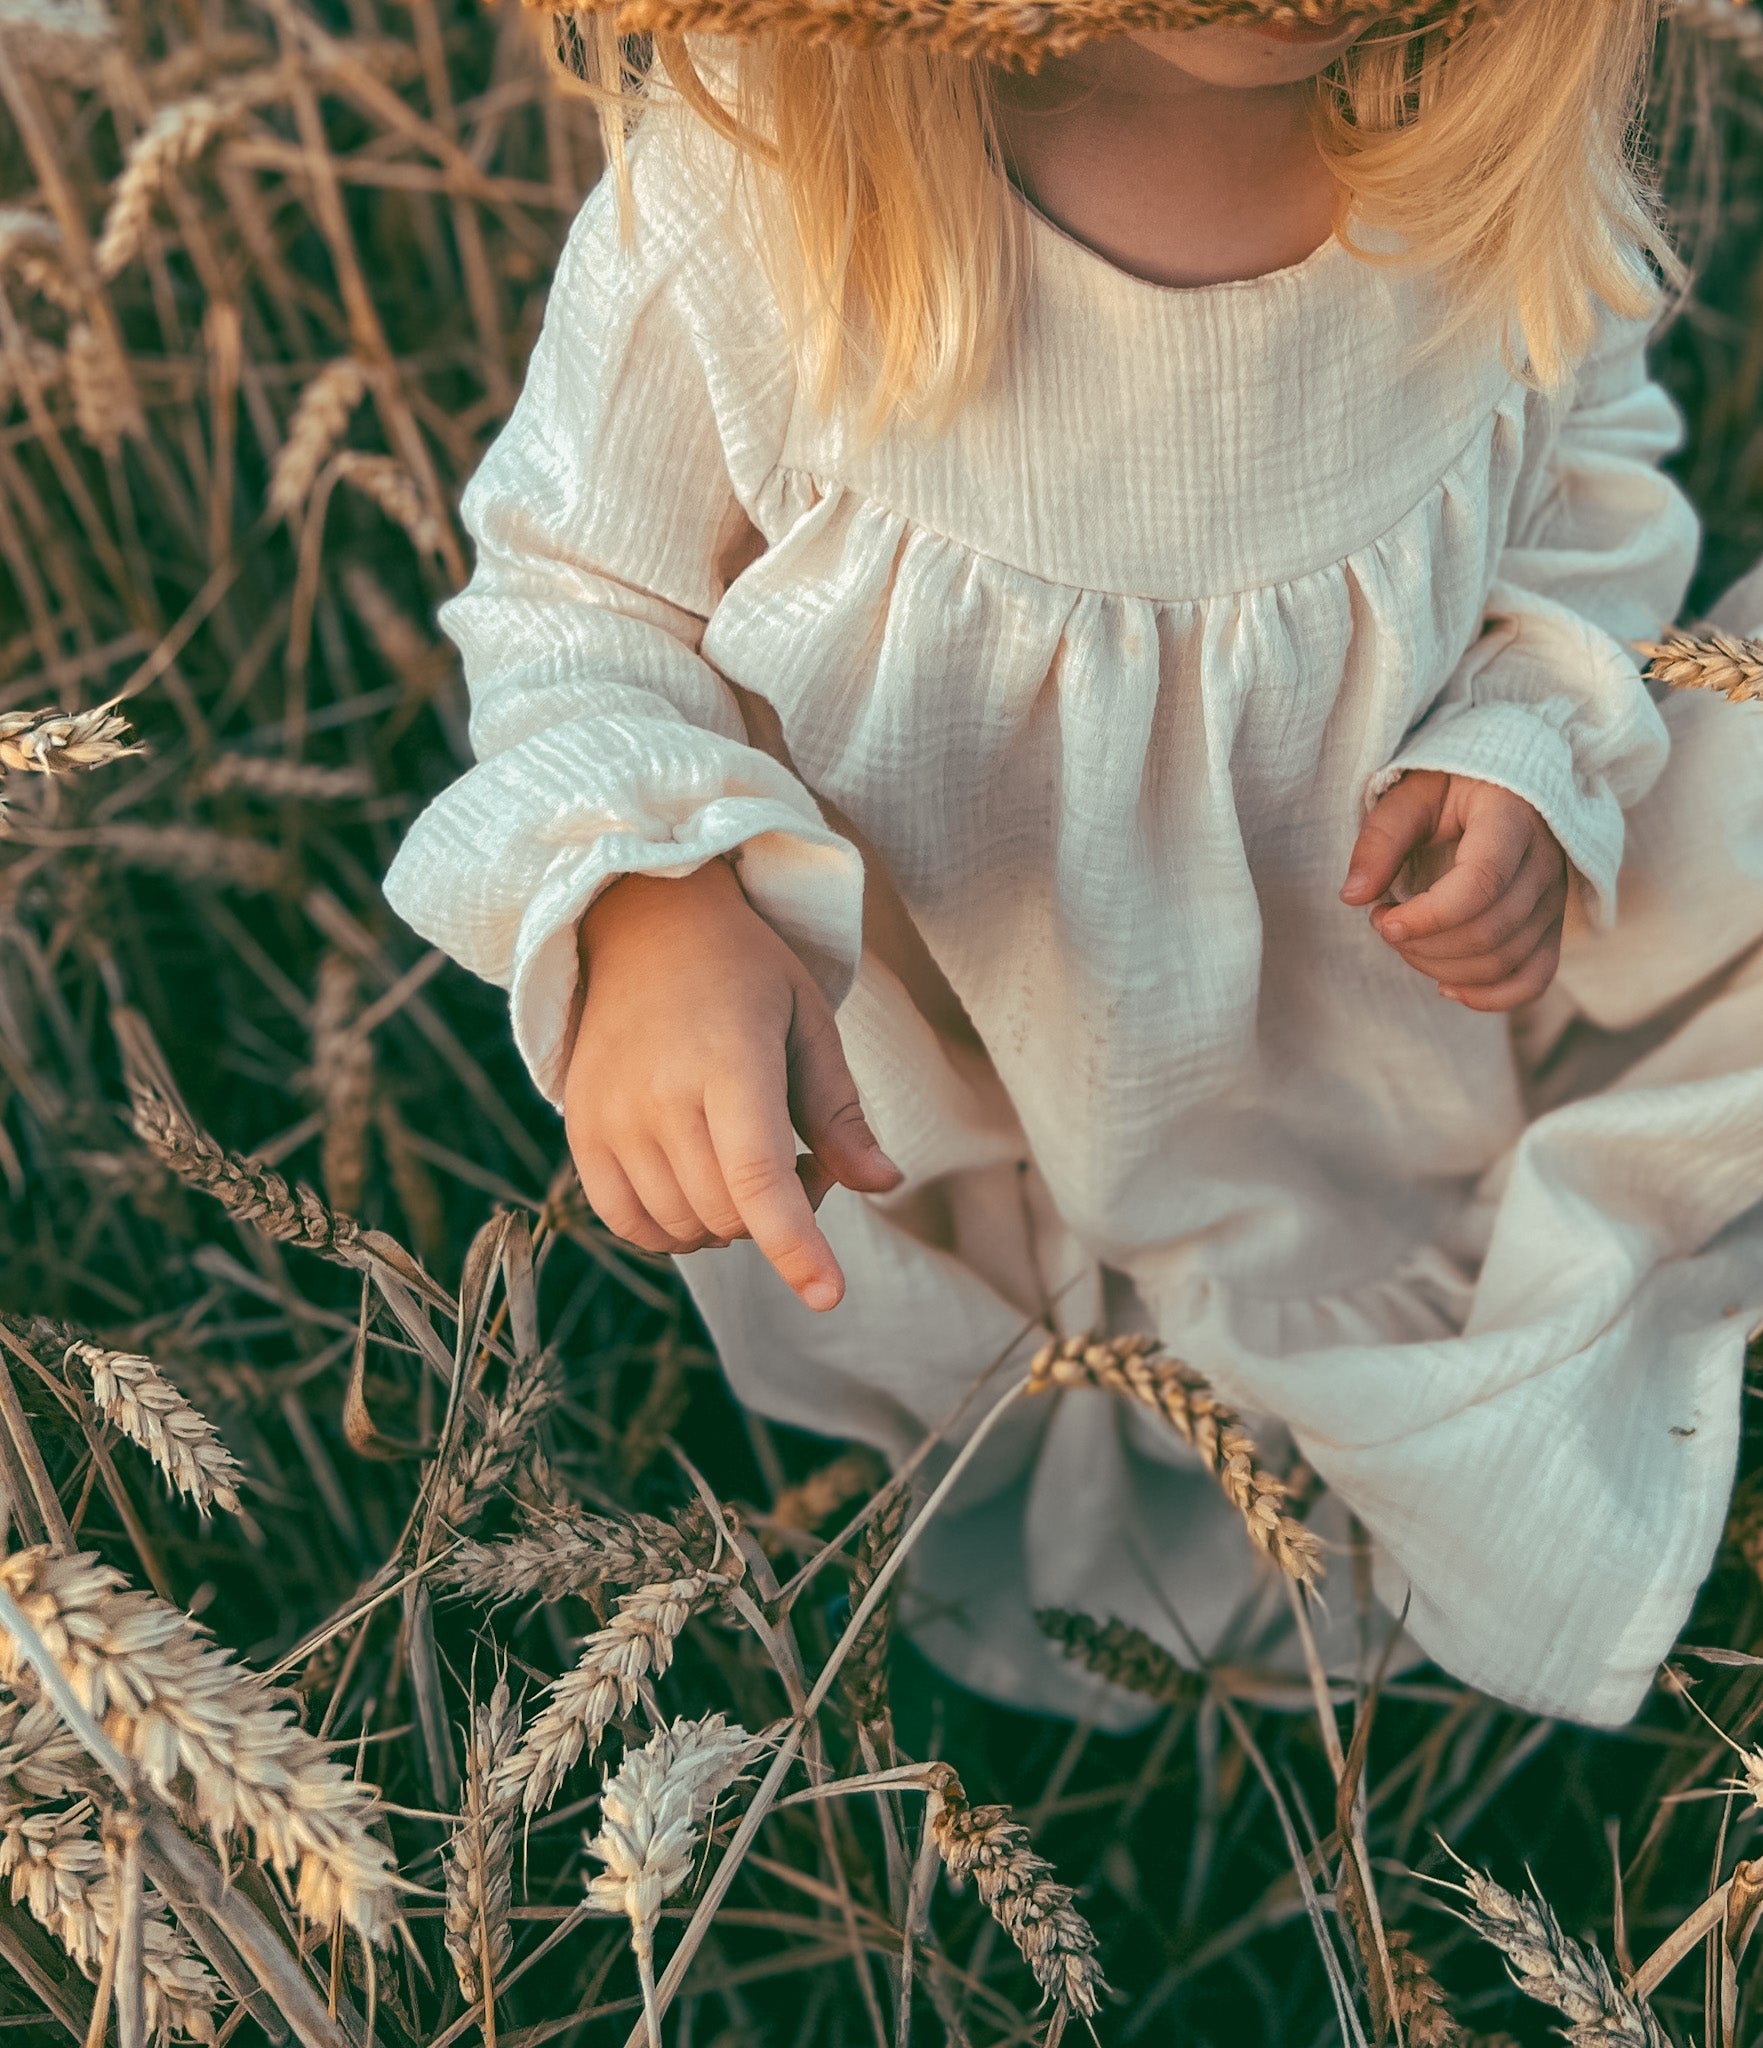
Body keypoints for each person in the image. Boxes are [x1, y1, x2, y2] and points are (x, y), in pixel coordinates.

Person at [383, 0, 1763, 1727]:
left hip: (1368, 1031)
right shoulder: (778, 191)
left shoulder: (1473, 131)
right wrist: (660, 899)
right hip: (970, 1068)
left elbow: (1583, 472)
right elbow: (580, 591)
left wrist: (1522, 730)